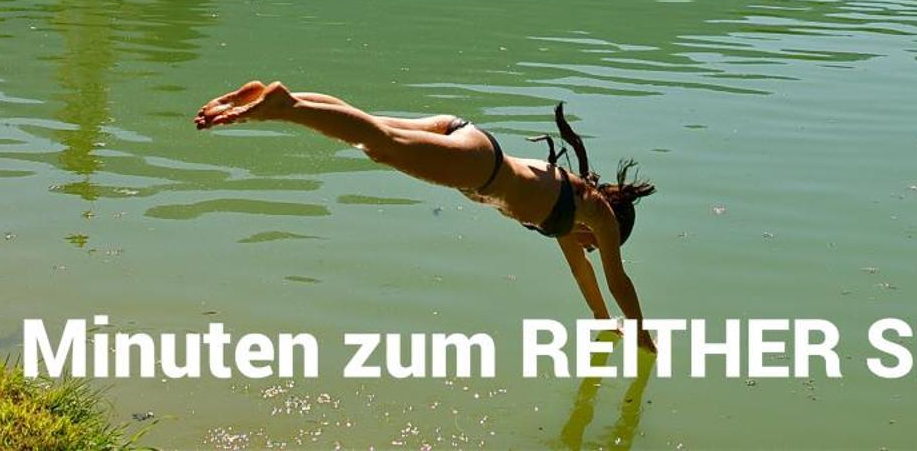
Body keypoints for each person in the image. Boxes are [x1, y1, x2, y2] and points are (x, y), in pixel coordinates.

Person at [195, 84, 656, 341]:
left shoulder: (569, 213)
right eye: (595, 246)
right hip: (478, 166)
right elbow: (618, 280)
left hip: (467, 139)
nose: (590, 250)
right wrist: (641, 335)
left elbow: (585, 278)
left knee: (374, 130)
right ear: (609, 222)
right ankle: (285, 107)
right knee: (380, 142)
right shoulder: (596, 212)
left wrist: (602, 322)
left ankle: (289, 98)